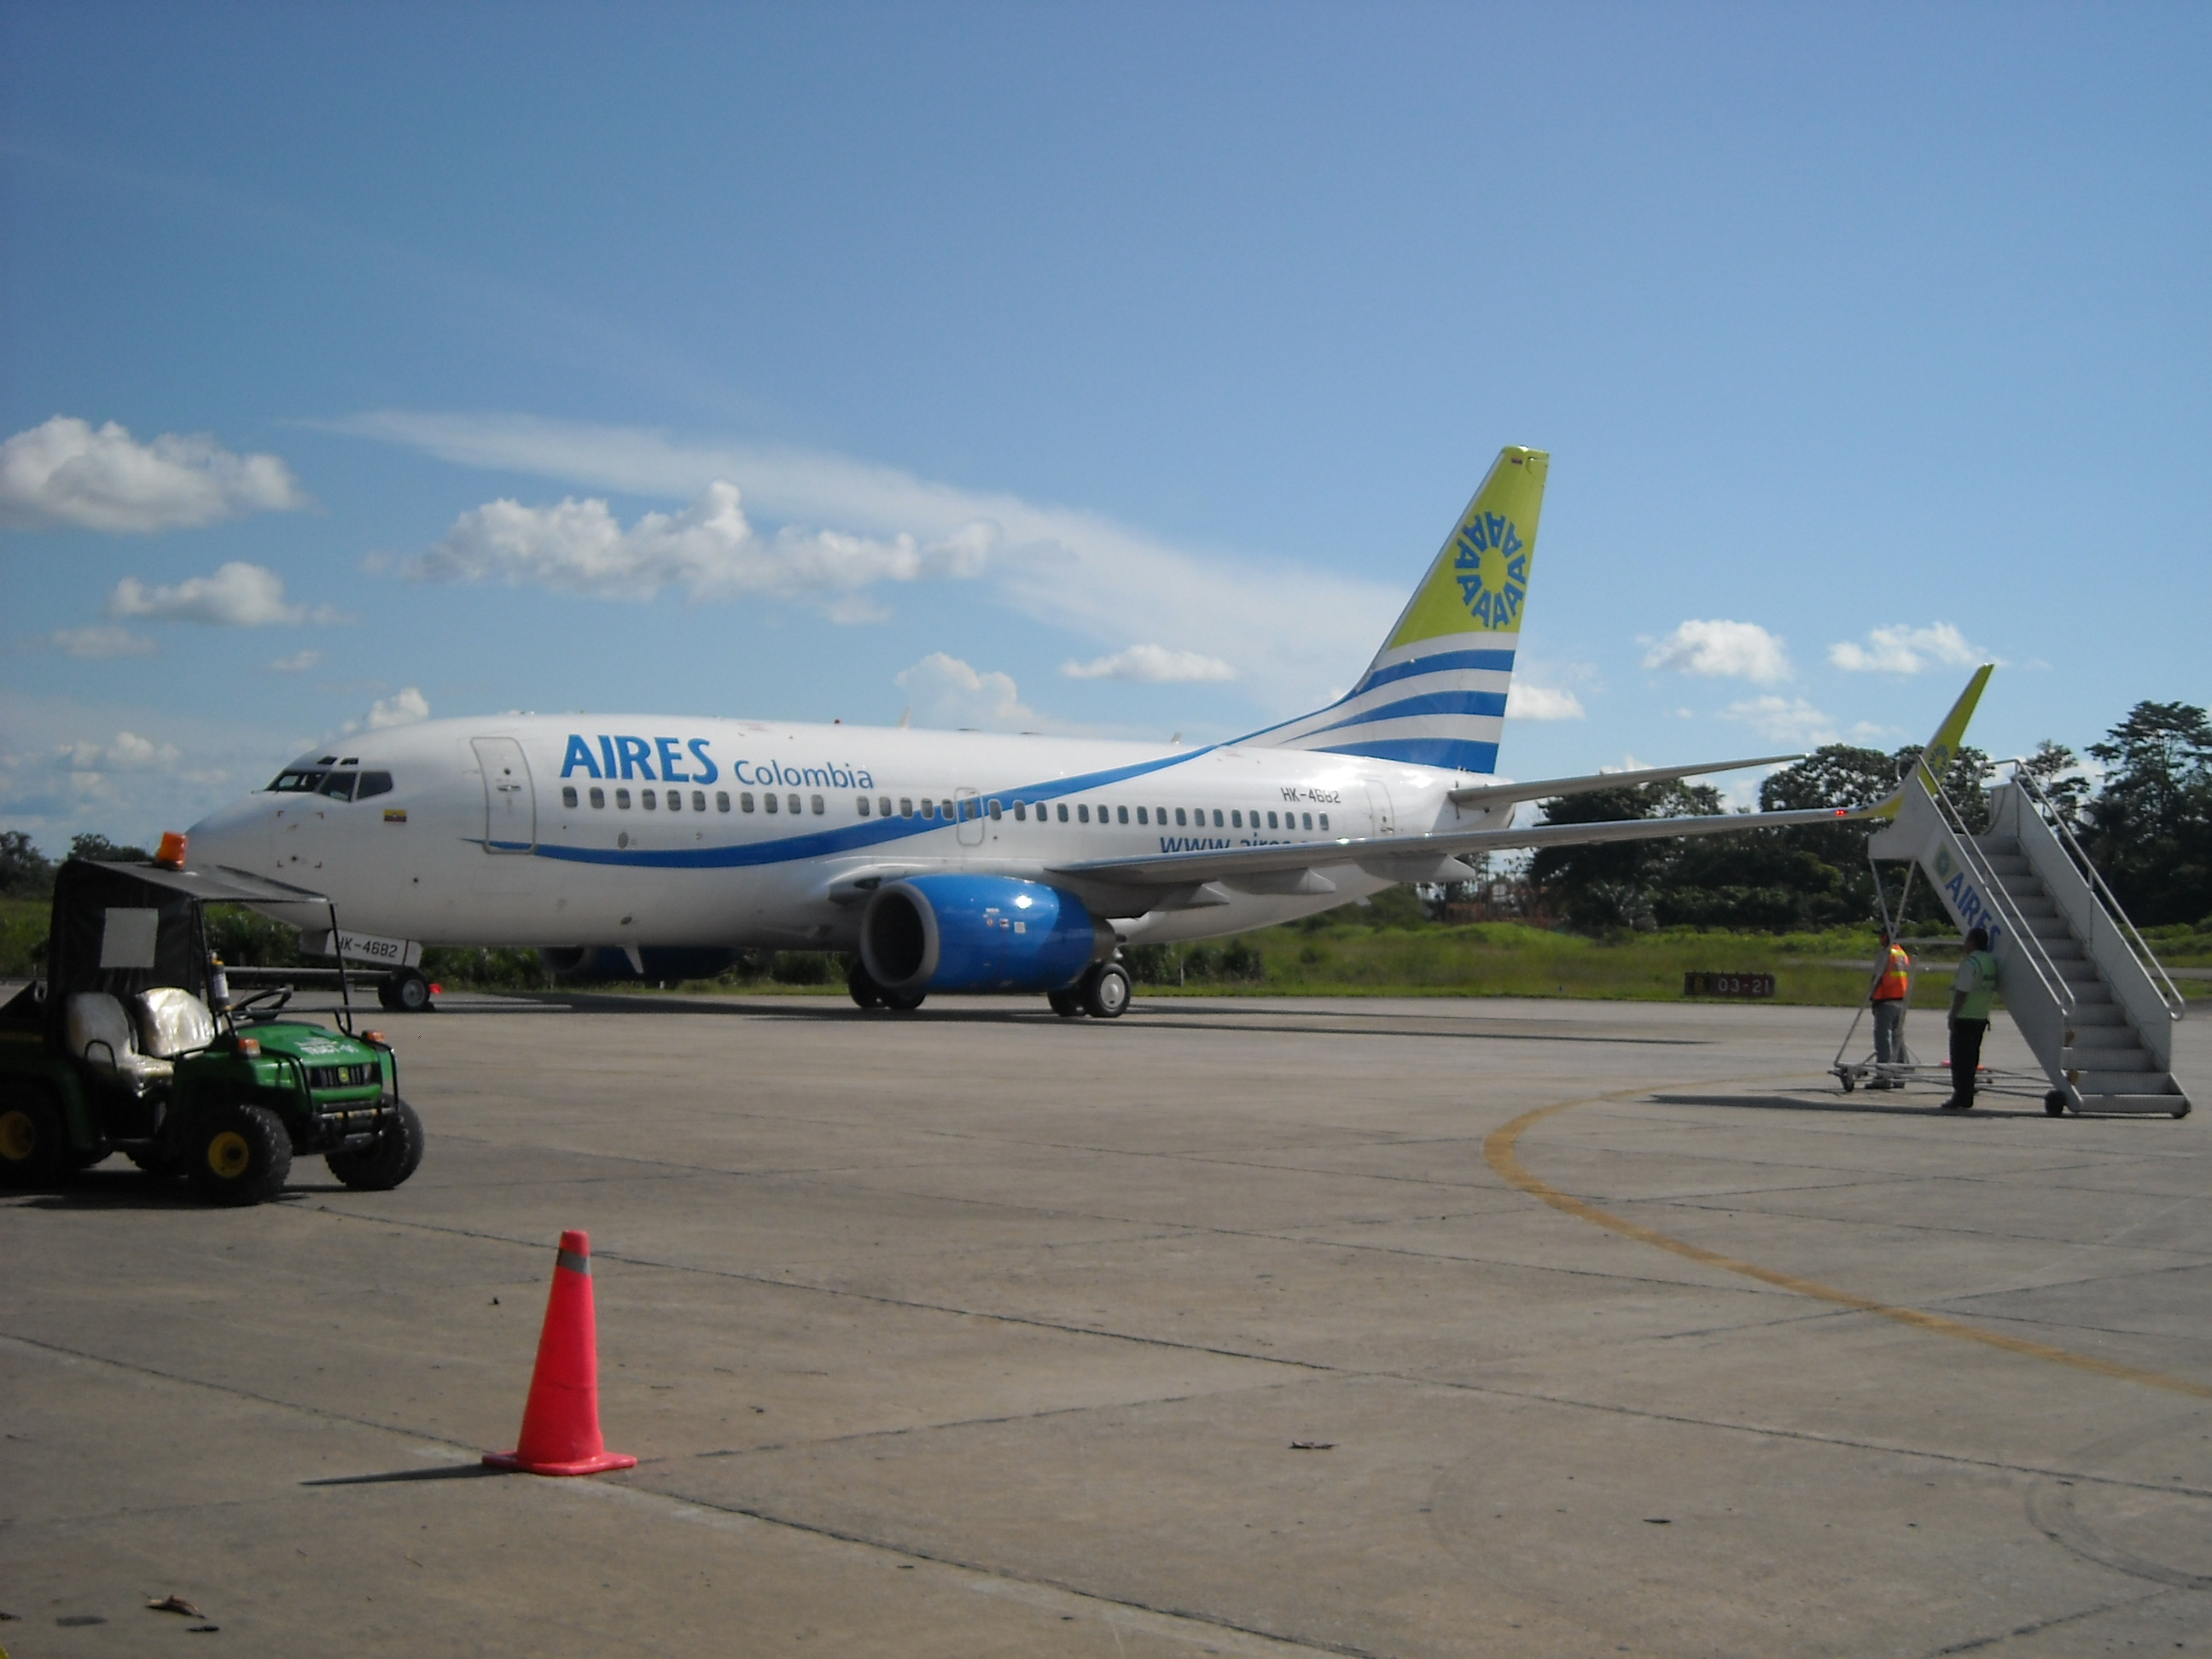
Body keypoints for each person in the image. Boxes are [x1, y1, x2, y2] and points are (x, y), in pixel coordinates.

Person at [1942, 927, 2000, 1111]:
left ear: (1973, 942)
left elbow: (1962, 992)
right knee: (1972, 1059)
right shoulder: (1989, 962)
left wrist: (1953, 1014)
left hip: (1965, 1017)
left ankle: (1960, 1096)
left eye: (1967, 940)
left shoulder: (1971, 963)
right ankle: (1967, 1095)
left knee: (1960, 1061)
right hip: (1981, 1016)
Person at [1869, 927, 1912, 1087]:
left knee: (1883, 1038)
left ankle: (1883, 1075)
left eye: (1881, 935)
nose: (1880, 938)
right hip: (1900, 999)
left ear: (1887, 936)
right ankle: (1899, 1076)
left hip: (1886, 999)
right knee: (1897, 1037)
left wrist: (1872, 997)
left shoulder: (1886, 953)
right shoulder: (1901, 954)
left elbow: (1878, 976)